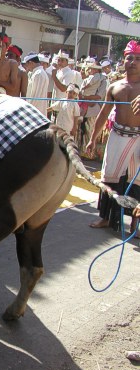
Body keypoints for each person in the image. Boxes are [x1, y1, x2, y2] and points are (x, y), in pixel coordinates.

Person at [86, 40, 140, 232]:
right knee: (110, 178)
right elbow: (102, 114)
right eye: (129, 58)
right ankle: (106, 218)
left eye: (138, 59)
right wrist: (93, 138)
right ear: (124, 61)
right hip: (117, 134)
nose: (133, 62)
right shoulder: (114, 87)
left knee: (137, 181)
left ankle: (136, 223)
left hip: (139, 139)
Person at [78, 58, 107, 153]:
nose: (91, 70)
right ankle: (81, 151)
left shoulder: (103, 81)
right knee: (81, 129)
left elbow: (99, 96)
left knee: (90, 130)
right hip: (84, 106)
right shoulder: (87, 79)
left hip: (94, 108)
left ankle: (89, 152)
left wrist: (87, 97)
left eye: (93, 69)